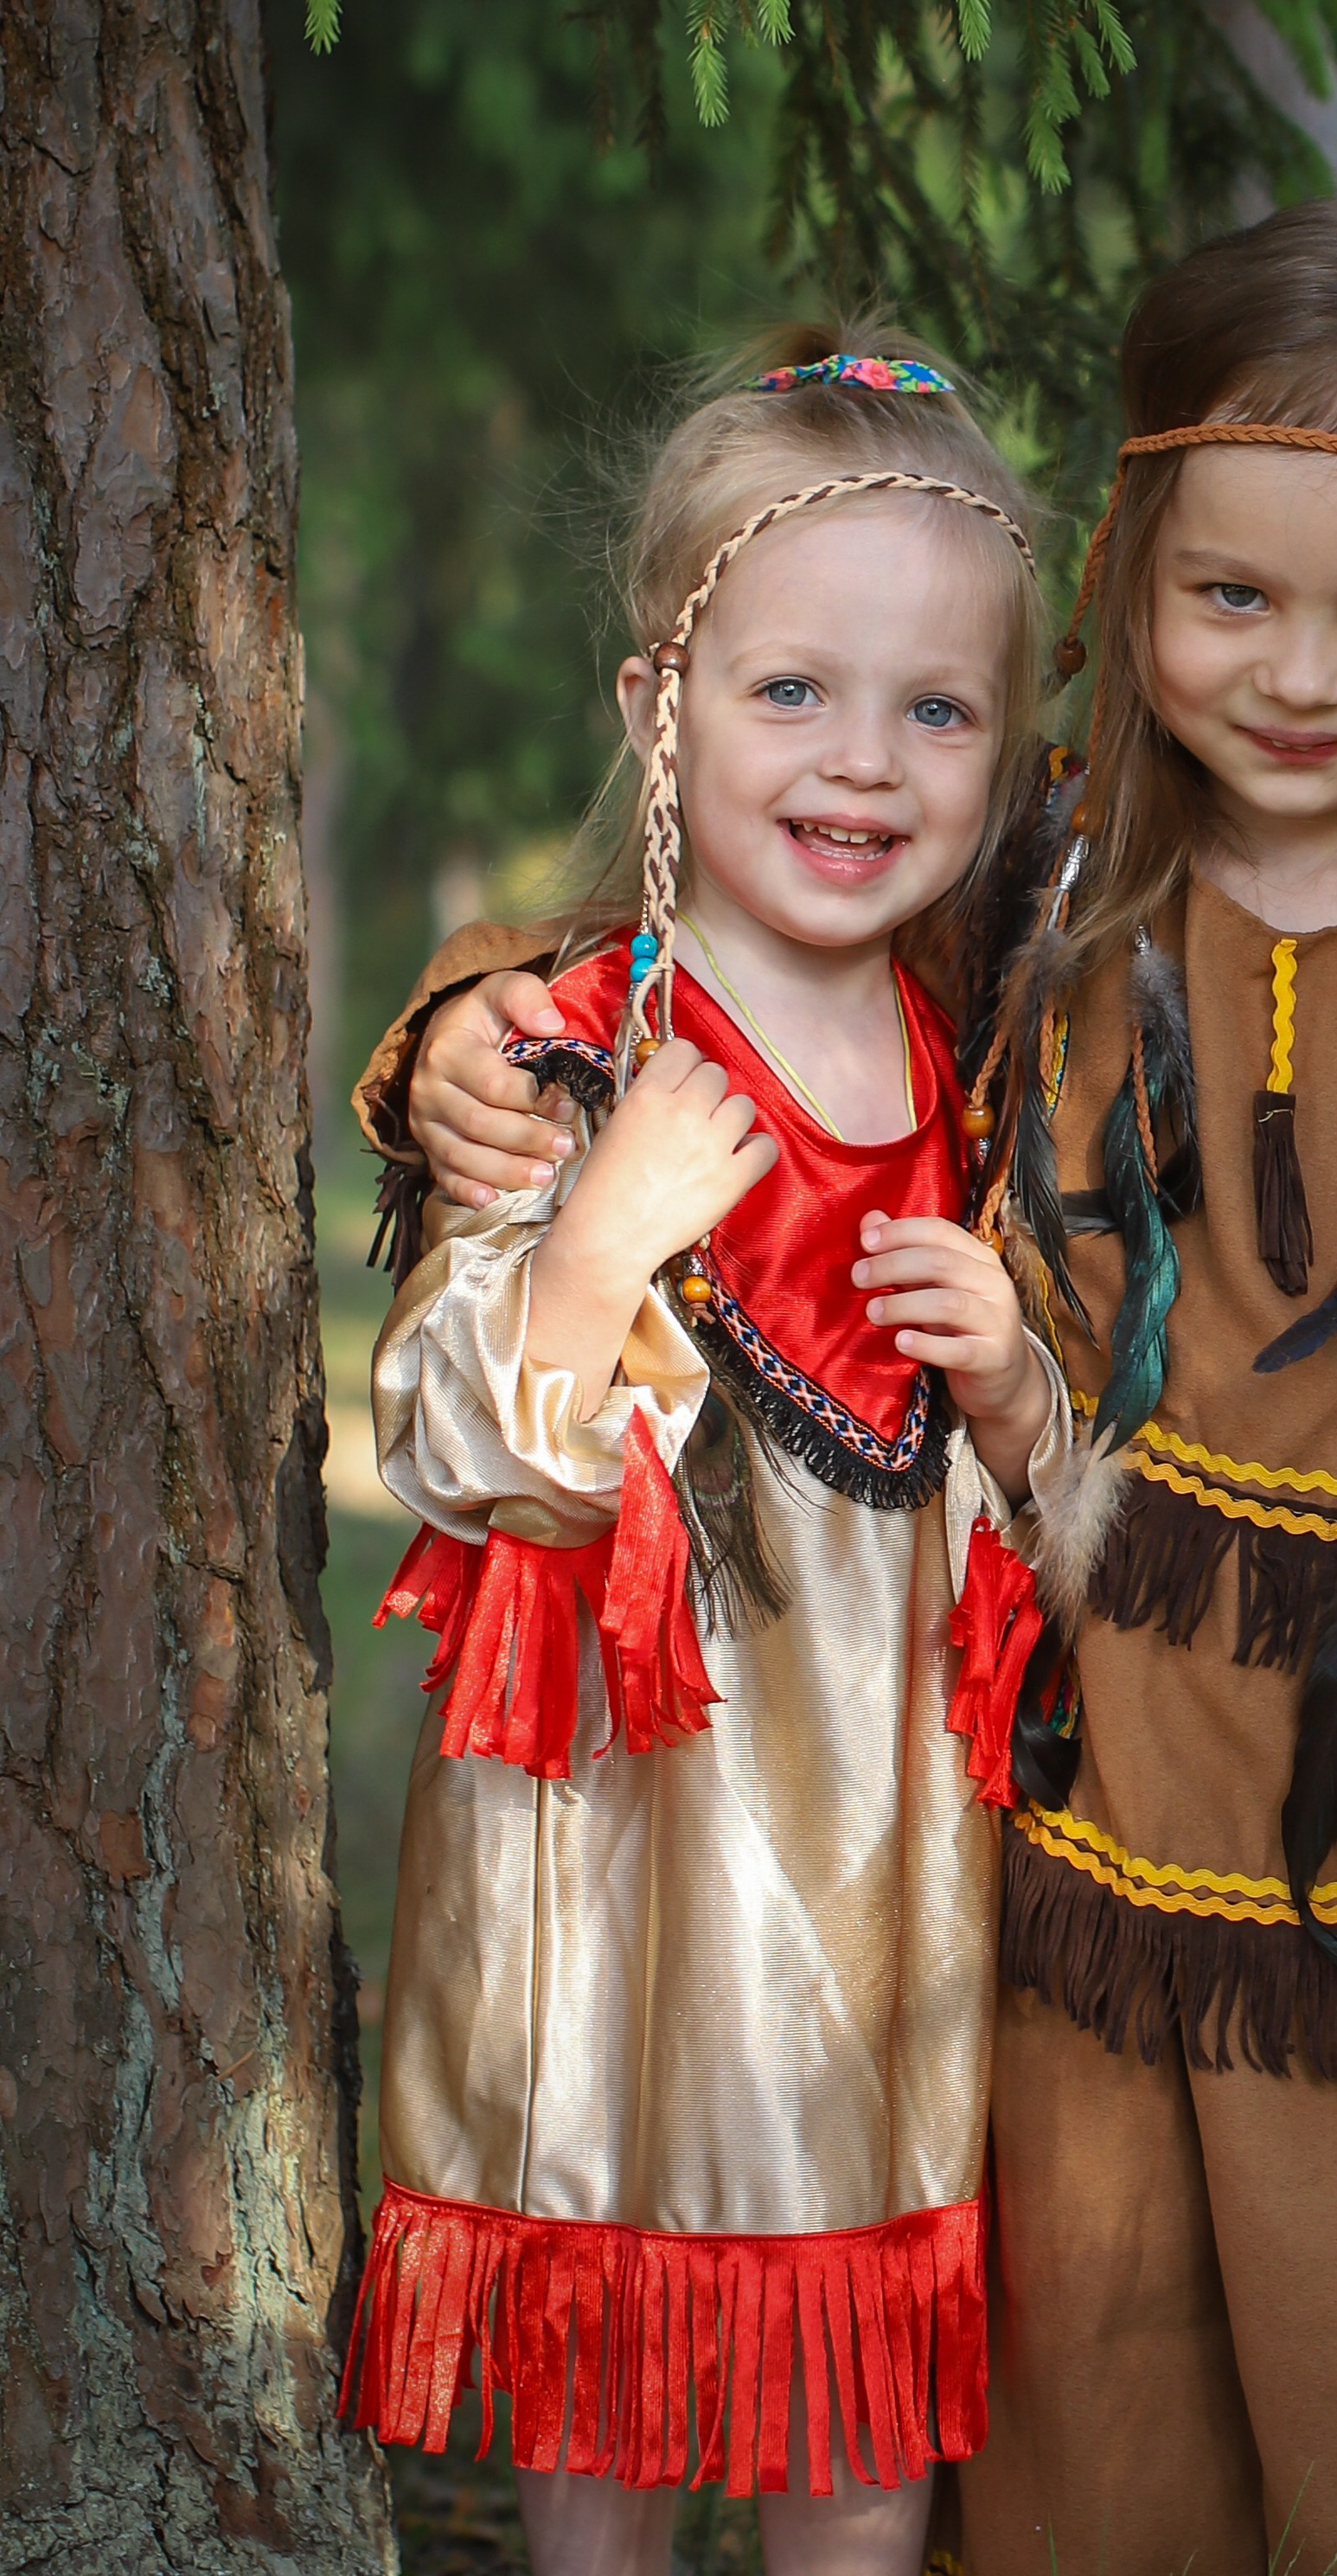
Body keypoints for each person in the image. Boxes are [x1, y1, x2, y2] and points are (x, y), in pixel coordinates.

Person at [367, 211, 1337, 2575]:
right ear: (1140, 581)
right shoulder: (1054, 888)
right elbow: (726, 918)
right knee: (1087, 2419)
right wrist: (458, 1030)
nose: (1300, 675)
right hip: (1065, 1835)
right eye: (1231, 597)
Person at [342, 349, 1069, 2576]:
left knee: (864, 2376)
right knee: (615, 2392)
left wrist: (1025, 1391)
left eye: (934, 714)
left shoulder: (984, 1058)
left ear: (1002, 754)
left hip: (887, 1884)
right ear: (662, 709)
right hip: (646, 1859)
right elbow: (451, 1441)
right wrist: (594, 1246)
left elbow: (1044, 1498)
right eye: (791, 692)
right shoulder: (573, 1047)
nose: (862, 760)